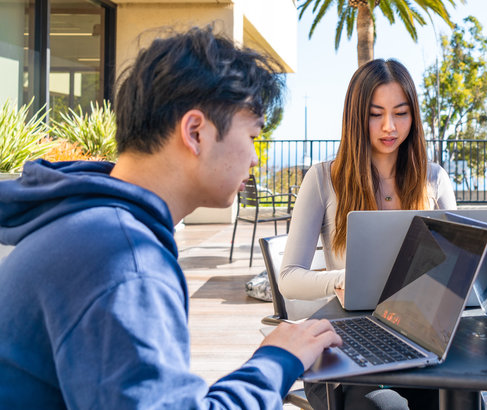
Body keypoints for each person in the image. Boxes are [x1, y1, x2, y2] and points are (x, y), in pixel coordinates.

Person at [0, 26, 341, 408]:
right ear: (195, 132)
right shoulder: (122, 260)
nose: (256, 158)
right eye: (253, 137)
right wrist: (278, 360)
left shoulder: (90, 226)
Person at [280, 59, 456, 409]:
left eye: (401, 113)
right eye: (376, 114)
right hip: (348, 346)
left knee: (461, 399)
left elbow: (460, 267)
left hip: (421, 339)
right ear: (356, 117)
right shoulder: (323, 179)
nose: (389, 126)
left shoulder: (434, 179)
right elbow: (288, 278)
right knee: (381, 407)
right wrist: (342, 280)